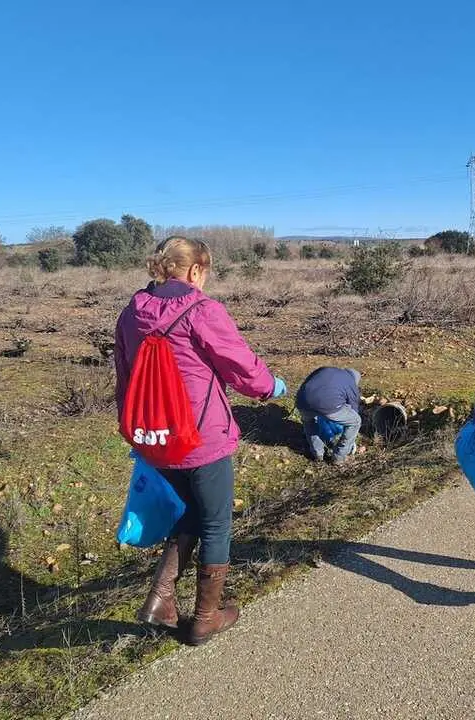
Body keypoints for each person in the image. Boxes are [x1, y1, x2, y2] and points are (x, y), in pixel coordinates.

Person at [114, 236, 288, 645]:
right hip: (201, 437)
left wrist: (137, 431)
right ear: (195, 270)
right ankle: (205, 617)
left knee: (187, 513)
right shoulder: (202, 310)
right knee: (215, 522)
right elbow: (240, 365)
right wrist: (270, 388)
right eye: (204, 272)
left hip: (154, 436)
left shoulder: (131, 312)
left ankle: (160, 599)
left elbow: (124, 375)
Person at [295, 367, 362, 463]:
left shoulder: (326, 369)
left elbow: (307, 381)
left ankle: (317, 453)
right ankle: (339, 457)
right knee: (355, 421)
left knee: (309, 422)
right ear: (355, 380)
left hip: (302, 400)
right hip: (327, 404)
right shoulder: (351, 383)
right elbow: (354, 410)